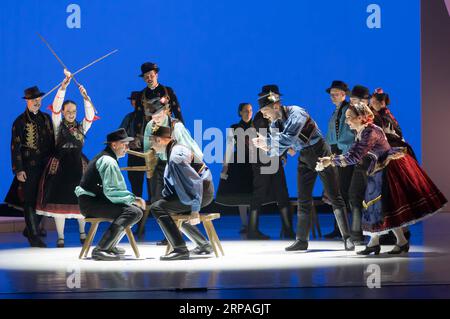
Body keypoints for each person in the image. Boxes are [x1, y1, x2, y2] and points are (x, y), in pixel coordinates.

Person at [318, 102, 447, 255]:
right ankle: (396, 242)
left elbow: (354, 156)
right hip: (379, 169)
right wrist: (332, 160)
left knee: (382, 208)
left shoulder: (370, 132)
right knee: (382, 208)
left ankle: (380, 243)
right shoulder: (362, 131)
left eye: (349, 118)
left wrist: (330, 161)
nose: (347, 121)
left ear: (360, 118)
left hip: (388, 170)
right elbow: (353, 152)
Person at [252, 85, 354, 251]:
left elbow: (286, 139)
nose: (264, 115)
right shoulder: (274, 123)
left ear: (275, 106)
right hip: (305, 155)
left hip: (320, 152)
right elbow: (277, 150)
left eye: (265, 112)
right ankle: (302, 240)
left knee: (335, 196)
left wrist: (268, 143)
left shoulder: (296, 113)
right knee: (303, 198)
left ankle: (347, 238)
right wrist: (265, 147)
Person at [35, 70, 96, 248]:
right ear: (63, 112)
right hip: (59, 167)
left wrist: (86, 97)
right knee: (58, 202)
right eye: (68, 111)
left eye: (73, 111)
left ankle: (83, 234)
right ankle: (61, 237)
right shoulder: (57, 125)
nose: (71, 113)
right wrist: (63, 87)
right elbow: (54, 108)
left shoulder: (82, 127)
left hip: (78, 166)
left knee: (81, 201)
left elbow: (90, 116)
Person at [75, 128, 144, 260]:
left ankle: (110, 245)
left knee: (135, 211)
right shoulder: (108, 161)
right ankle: (101, 248)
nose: (127, 147)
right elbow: (112, 191)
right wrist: (133, 199)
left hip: (93, 202)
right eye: (124, 144)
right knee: (133, 212)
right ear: (114, 145)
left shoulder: (108, 158)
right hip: (92, 204)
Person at [141, 96, 203, 243]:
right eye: (152, 115)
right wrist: (149, 169)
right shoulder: (150, 126)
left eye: (158, 114)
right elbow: (147, 148)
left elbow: (191, 148)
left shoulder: (176, 126)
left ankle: (199, 241)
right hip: (161, 165)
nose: (155, 118)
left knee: (177, 205)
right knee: (158, 202)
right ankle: (170, 236)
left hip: (179, 166)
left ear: (166, 111)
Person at [149, 126, 213, 260]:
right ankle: (203, 244)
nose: (151, 146)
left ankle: (180, 249)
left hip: (201, 193)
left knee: (157, 207)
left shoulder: (175, 156)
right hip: (198, 191)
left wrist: (195, 209)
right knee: (169, 208)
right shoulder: (175, 149)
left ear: (159, 140)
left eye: (152, 142)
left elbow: (195, 181)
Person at [4, 86, 55, 247]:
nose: (36, 102)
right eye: (33, 100)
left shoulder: (46, 118)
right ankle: (33, 235)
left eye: (39, 99)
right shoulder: (19, 122)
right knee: (30, 201)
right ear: (27, 101)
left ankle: (30, 228)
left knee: (45, 200)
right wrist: (18, 169)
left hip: (45, 166)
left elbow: (52, 142)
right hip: (29, 167)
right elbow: (15, 147)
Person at [323, 81, 357, 240]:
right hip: (336, 153)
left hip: (345, 154)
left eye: (336, 94)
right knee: (337, 192)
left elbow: (349, 133)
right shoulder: (337, 111)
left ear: (344, 94)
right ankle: (340, 228)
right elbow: (332, 135)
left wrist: (339, 152)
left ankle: (349, 230)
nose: (333, 96)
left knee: (343, 192)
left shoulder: (347, 110)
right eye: (331, 94)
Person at [216, 103, 255, 234]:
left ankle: (253, 224)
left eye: (250, 110)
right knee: (242, 195)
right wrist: (225, 166)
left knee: (254, 194)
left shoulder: (257, 125)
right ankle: (245, 224)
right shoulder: (234, 127)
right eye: (246, 111)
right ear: (240, 112)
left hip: (255, 162)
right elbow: (229, 147)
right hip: (240, 163)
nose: (249, 113)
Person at [119, 91, 147, 199]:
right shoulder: (129, 118)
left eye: (137, 100)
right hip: (133, 154)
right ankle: (139, 206)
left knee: (152, 183)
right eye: (133, 100)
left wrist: (142, 140)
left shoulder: (149, 117)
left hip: (149, 154)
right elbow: (120, 134)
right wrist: (130, 142)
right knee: (135, 181)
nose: (134, 102)